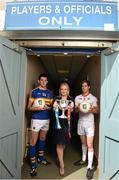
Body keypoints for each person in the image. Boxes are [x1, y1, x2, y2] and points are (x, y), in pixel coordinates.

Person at [27, 73, 53, 176]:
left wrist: (48, 108)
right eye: (41, 80)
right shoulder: (34, 92)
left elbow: (51, 107)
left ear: (47, 81)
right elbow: (28, 107)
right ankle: (33, 166)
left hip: (46, 120)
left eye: (45, 80)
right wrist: (36, 108)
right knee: (33, 142)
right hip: (36, 119)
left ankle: (41, 158)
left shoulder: (50, 93)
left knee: (42, 139)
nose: (43, 82)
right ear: (38, 81)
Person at [74, 80, 99, 180]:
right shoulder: (77, 98)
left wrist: (91, 110)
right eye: (82, 86)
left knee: (89, 145)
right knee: (83, 143)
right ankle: (83, 159)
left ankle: (89, 166)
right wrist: (78, 108)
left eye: (86, 86)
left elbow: (97, 110)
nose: (84, 88)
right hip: (81, 122)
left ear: (89, 87)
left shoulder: (93, 98)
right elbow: (75, 110)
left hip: (89, 123)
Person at [53, 82, 74, 176]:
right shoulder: (56, 100)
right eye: (62, 89)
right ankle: (62, 165)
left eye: (65, 89)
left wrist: (71, 109)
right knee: (59, 143)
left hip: (67, 124)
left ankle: (59, 157)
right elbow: (53, 110)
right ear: (59, 90)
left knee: (64, 143)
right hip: (58, 124)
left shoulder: (71, 100)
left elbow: (73, 109)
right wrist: (54, 108)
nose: (63, 91)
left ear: (68, 90)